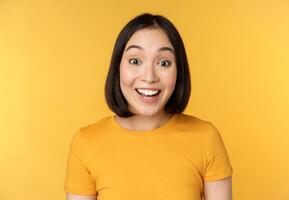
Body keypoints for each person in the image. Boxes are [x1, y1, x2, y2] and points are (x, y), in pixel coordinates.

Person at [64, 13, 233, 200]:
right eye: (135, 61)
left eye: (163, 63)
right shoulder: (86, 143)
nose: (150, 77)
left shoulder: (206, 138)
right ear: (117, 67)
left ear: (179, 71)